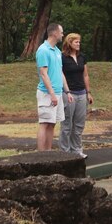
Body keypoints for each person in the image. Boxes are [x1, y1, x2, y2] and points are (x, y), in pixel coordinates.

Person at [36, 22, 72, 151]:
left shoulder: (57, 51)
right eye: (61, 32)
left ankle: (48, 152)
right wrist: (51, 94)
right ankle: (41, 155)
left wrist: (67, 91)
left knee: (52, 124)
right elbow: (43, 74)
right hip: (47, 93)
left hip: (57, 93)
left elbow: (60, 72)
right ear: (54, 33)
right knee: (44, 123)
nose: (63, 34)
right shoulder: (43, 50)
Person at [59, 32, 93, 158]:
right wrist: (67, 91)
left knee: (79, 125)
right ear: (69, 43)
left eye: (79, 41)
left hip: (81, 93)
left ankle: (77, 150)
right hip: (69, 93)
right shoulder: (62, 57)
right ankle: (65, 152)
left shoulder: (82, 57)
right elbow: (60, 75)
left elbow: (85, 75)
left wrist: (88, 92)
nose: (79, 44)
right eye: (76, 42)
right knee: (67, 125)